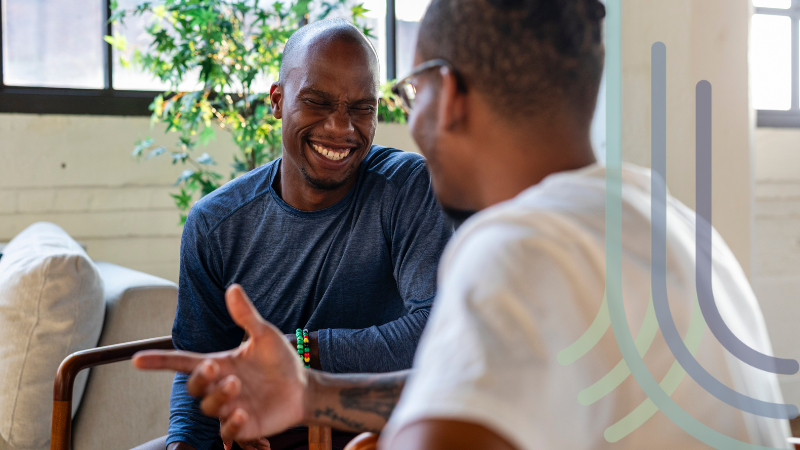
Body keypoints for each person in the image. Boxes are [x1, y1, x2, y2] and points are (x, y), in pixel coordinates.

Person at [133, 0, 794, 449]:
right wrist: (314, 391)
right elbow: (481, 390)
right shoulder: (669, 225)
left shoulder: (520, 251)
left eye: (406, 94)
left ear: (445, 94)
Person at [133, 18, 454, 450]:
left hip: (370, 436)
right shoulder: (215, 224)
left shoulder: (408, 188)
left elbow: (433, 334)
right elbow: (200, 368)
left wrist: (301, 350)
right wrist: (183, 445)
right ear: (277, 100)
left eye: (362, 107)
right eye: (317, 102)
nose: (341, 128)